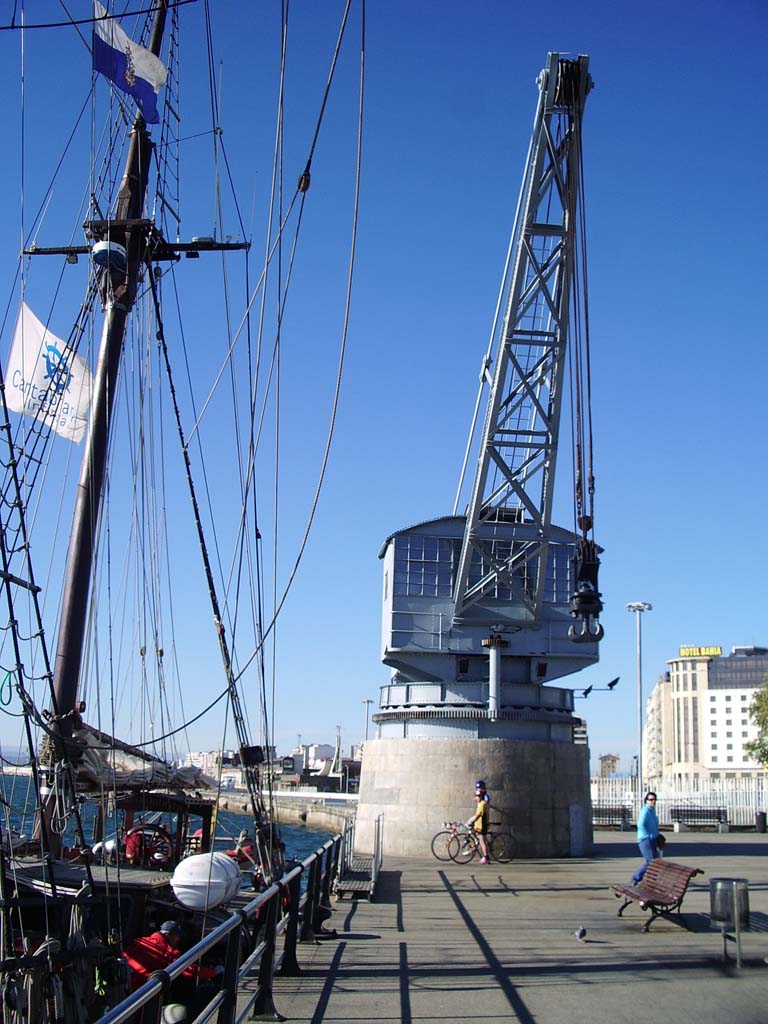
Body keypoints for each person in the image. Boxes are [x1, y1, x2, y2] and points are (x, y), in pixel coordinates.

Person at [123, 921, 223, 992]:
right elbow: (190, 970)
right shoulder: (168, 951)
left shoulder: (140, 940)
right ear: (167, 934)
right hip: (142, 989)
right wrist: (213, 972)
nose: (178, 939)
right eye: (177, 936)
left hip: (124, 983)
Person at [631, 791, 660, 885]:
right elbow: (640, 825)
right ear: (646, 801)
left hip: (653, 839)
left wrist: (657, 835)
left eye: (655, 799)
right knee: (650, 862)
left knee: (655, 862)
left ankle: (651, 882)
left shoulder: (652, 810)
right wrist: (648, 836)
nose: (653, 801)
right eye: (651, 799)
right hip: (645, 840)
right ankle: (635, 878)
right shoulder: (645, 811)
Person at [466, 791, 490, 864]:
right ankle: (474, 848)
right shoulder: (481, 803)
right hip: (479, 825)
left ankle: (486, 858)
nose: (475, 797)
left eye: (476, 796)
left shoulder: (482, 804)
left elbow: (478, 815)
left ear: (480, 796)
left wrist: (470, 821)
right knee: (479, 839)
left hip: (482, 825)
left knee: (482, 841)